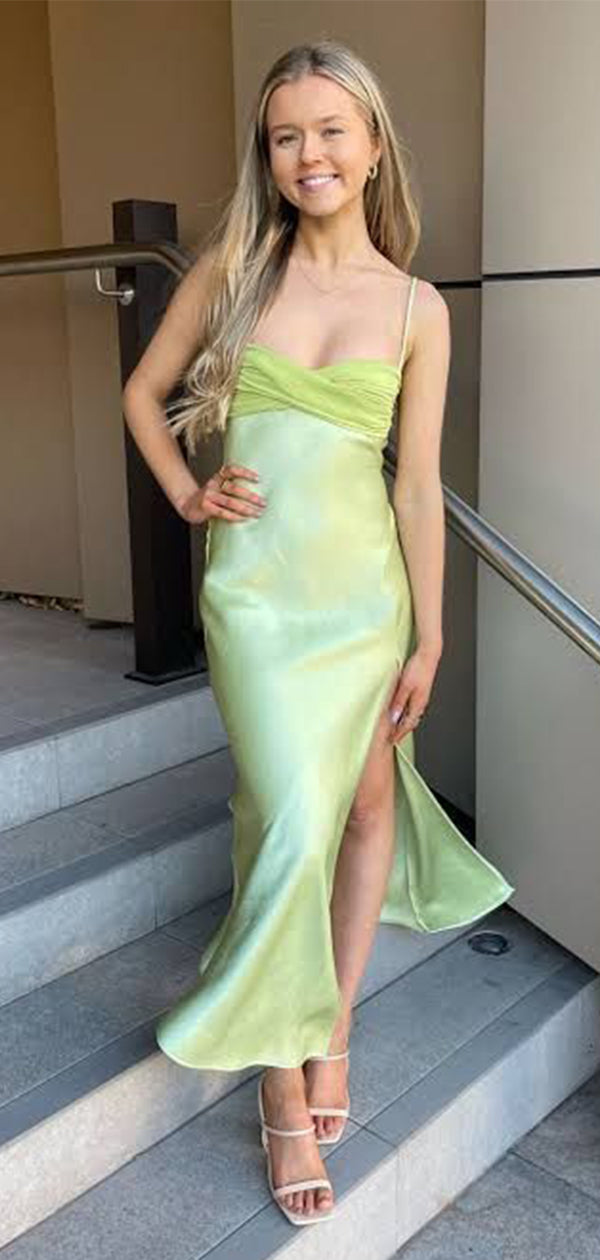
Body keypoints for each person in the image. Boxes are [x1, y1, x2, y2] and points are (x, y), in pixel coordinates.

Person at [122, 38, 514, 1229]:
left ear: (374, 143)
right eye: (287, 135)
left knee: (368, 806)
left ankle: (330, 1022)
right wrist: (189, 494)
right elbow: (143, 393)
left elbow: (417, 487)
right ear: (269, 152)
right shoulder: (236, 271)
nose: (310, 154)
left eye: (331, 129)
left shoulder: (416, 307)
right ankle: (280, 1083)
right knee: (291, 814)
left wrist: (429, 639)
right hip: (256, 595)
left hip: (364, 597)